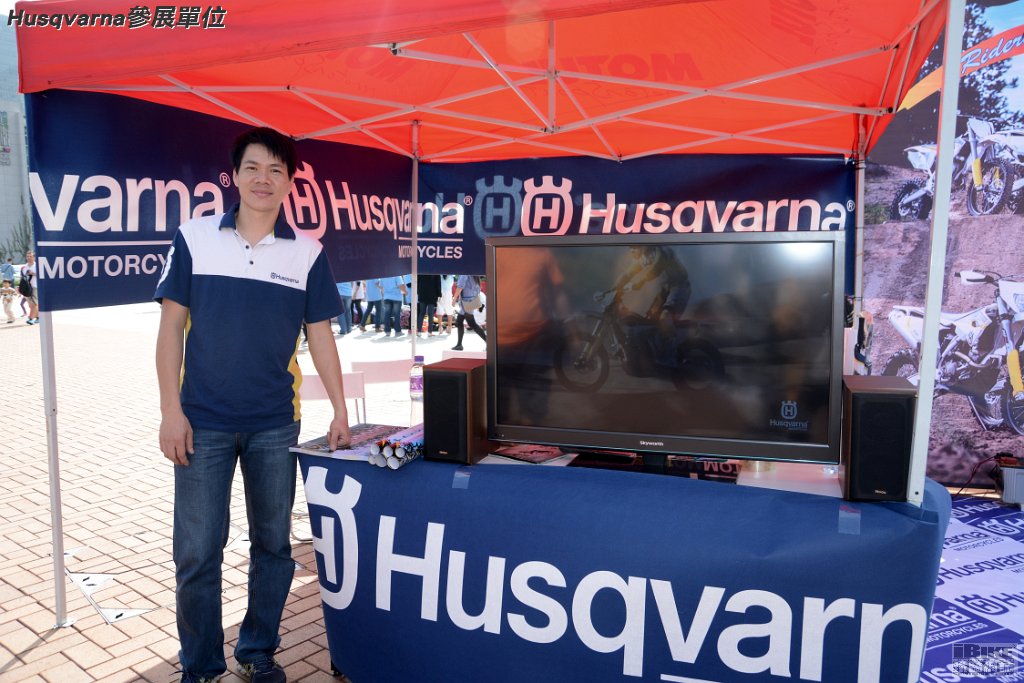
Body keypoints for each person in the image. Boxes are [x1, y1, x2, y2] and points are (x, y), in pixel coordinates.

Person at [154, 127, 350, 683]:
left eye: (276, 170)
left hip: (274, 424)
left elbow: (321, 336)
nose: (264, 179)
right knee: (197, 552)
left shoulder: (307, 253)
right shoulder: (194, 238)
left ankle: (257, 648)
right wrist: (170, 411)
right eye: (253, 168)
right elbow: (169, 331)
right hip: (202, 423)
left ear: (289, 183)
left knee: (273, 546)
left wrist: (340, 410)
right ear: (235, 175)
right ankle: (201, 664)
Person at [451, 274, 486, 350]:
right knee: (459, 321)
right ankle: (459, 345)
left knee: (472, 324)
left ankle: (489, 342)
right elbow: (477, 288)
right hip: (470, 300)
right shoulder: (473, 273)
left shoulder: (465, 272)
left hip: (467, 301)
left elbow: (460, 286)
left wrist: (454, 298)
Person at [21, 251, 38, 325]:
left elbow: (42, 275)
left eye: (30, 256)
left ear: (34, 257)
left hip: (35, 286)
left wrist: (32, 273)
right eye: (27, 256)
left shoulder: (37, 266)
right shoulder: (24, 267)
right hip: (27, 287)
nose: (28, 258)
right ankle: (38, 317)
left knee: (35, 303)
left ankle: (31, 318)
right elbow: (23, 277)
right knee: (30, 304)